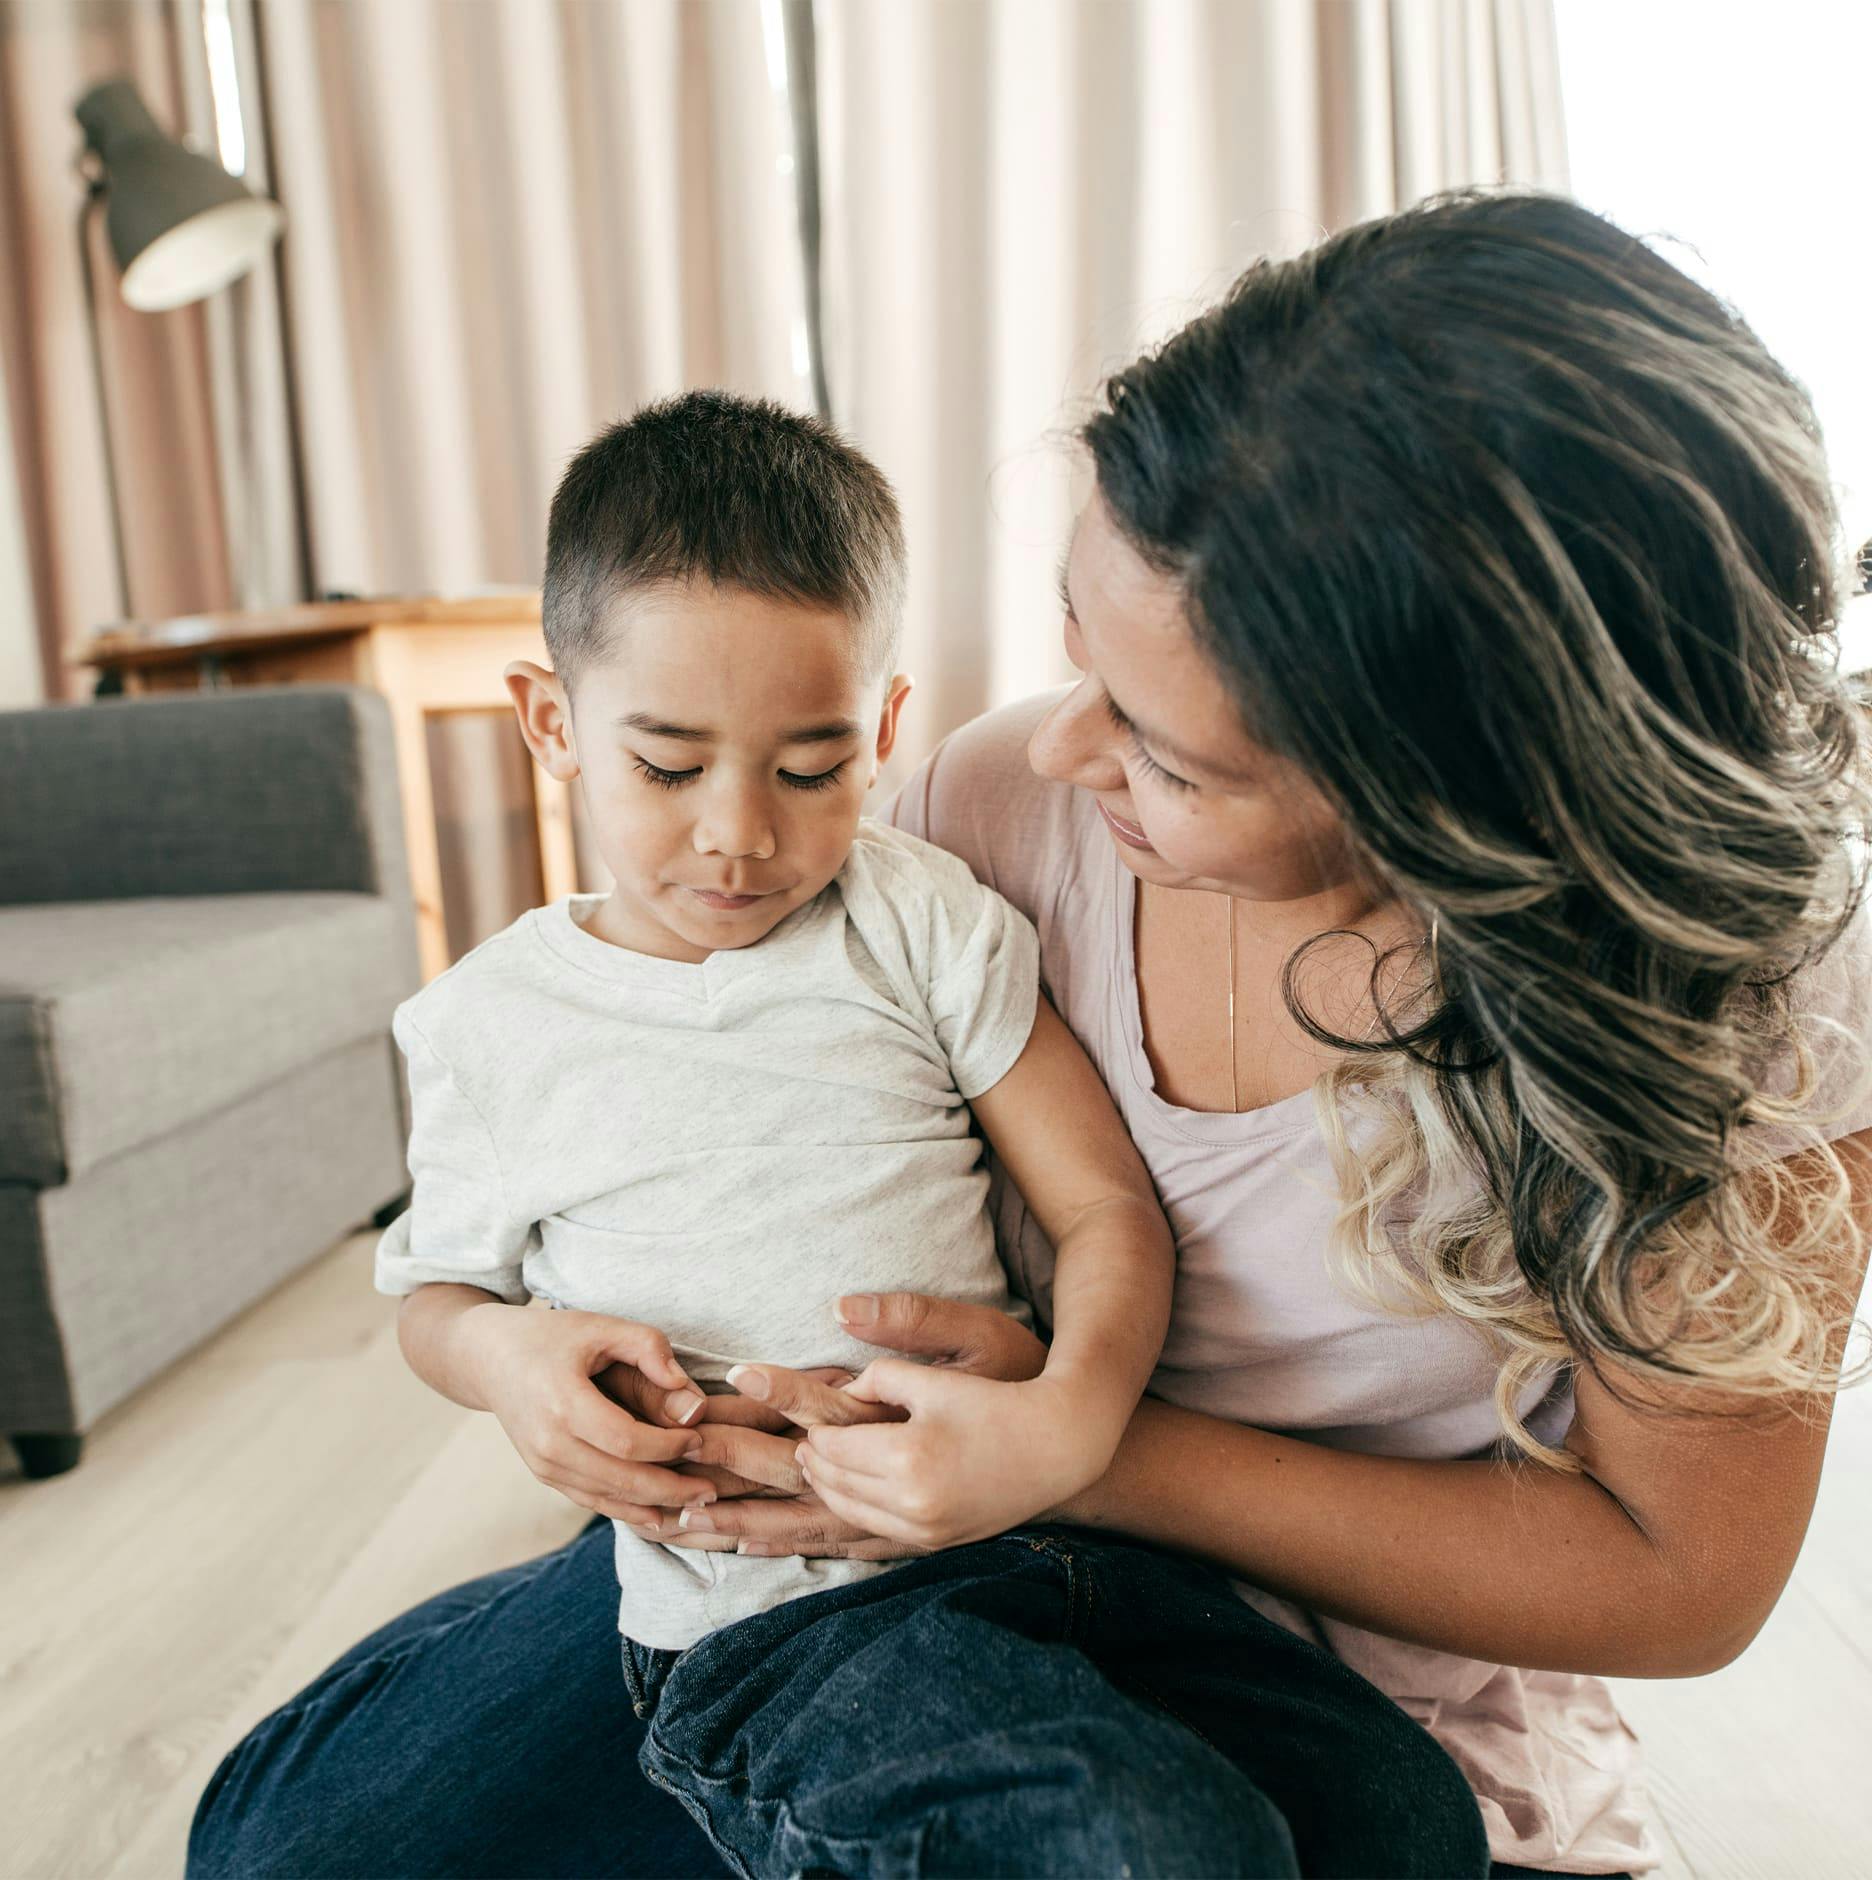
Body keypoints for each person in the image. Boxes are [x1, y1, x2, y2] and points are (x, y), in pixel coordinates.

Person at [189, 189, 1872, 1880]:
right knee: (282, 1845)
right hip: (858, 1559)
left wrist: (1075, 1449)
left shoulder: (1754, 990)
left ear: (1446, 806)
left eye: (1166, 752)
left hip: (1270, 1630)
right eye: (1080, 646)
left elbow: (1679, 1576)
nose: (1064, 749)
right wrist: (555, 1373)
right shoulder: (989, 813)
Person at [356, 389, 1489, 1879]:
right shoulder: (483, 1026)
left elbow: (1104, 1209)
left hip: (1055, 1543)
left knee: (1406, 1820)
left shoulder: (913, 919)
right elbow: (434, 1300)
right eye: (669, 766)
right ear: (553, 725)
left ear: (884, 732)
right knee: (1135, 1844)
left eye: (810, 768)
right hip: (776, 1619)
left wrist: (1070, 1421)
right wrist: (509, 1362)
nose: (740, 832)